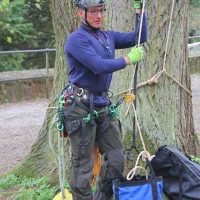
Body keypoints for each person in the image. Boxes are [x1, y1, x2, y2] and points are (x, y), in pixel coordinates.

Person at [63, 0, 148, 199]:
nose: (98, 15)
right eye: (93, 11)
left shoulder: (107, 36)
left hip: (102, 107)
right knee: (83, 166)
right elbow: (98, 65)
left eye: (101, 11)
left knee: (117, 159)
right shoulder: (76, 39)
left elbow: (139, 37)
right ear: (80, 13)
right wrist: (128, 59)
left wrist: (139, 10)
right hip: (80, 108)